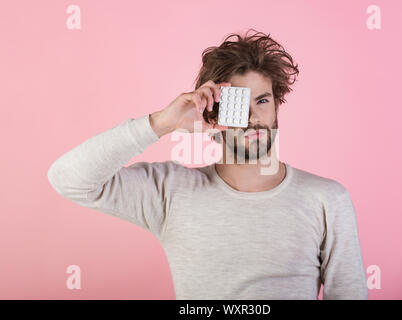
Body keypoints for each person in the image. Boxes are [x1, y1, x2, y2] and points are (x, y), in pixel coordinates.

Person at [47, 29, 368, 300]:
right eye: (239, 104)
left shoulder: (327, 199)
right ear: (213, 112)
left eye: (263, 100)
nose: (254, 118)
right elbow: (68, 179)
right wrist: (161, 123)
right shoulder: (170, 191)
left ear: (276, 106)